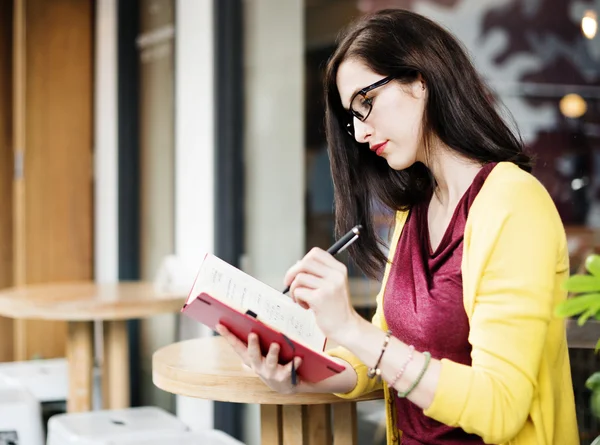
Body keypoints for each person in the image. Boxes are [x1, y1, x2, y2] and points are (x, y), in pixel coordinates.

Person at [216, 9, 579, 445]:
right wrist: (297, 371)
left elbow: (500, 407)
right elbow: (387, 356)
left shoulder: (514, 203)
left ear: (420, 79)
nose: (362, 133)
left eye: (365, 102)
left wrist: (352, 327)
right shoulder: (416, 210)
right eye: (352, 118)